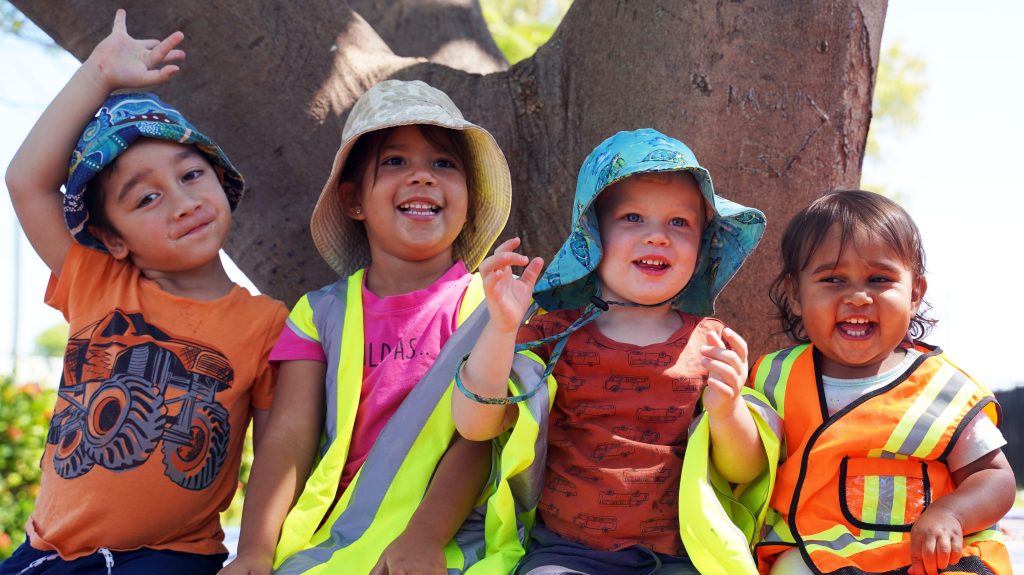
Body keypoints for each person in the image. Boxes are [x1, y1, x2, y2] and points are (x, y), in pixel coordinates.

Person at [1, 10, 288, 575]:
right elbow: (24, 182)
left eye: (190, 176)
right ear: (111, 237)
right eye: (146, 199)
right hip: (47, 552)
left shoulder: (267, 322)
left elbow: (278, 451)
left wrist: (256, 549)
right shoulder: (97, 281)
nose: (182, 202)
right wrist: (98, 74)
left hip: (169, 557)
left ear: (220, 181)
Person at [452, 128, 781, 575]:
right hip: (569, 554)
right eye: (632, 218)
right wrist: (503, 328)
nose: (658, 237)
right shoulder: (553, 335)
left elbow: (743, 470)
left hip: (681, 557)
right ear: (593, 236)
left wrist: (727, 411)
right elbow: (475, 424)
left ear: (703, 245)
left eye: (679, 223)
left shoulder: (710, 343)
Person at [221, 79, 517, 575]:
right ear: (354, 200)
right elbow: (289, 438)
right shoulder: (318, 315)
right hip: (334, 541)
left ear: (468, 197)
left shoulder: (492, 306)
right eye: (395, 162)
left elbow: (482, 439)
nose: (422, 177)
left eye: (444, 163)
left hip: (450, 537)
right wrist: (253, 550)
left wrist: (424, 537)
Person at [751, 190, 1014, 575]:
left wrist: (952, 513)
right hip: (816, 551)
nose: (858, 296)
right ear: (795, 295)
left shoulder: (944, 388)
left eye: (879, 279)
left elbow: (995, 477)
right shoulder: (771, 378)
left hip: (929, 555)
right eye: (833, 279)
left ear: (914, 294)